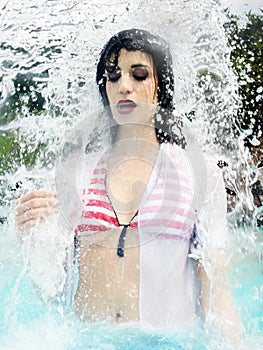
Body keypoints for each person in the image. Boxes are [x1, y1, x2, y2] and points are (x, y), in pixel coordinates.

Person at [15, 29, 242, 344]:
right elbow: (50, 288)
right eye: (113, 76)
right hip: (88, 340)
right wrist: (31, 235)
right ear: (104, 88)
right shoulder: (77, 174)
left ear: (158, 86)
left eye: (139, 75)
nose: (124, 86)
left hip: (167, 342)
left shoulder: (198, 176)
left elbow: (219, 294)